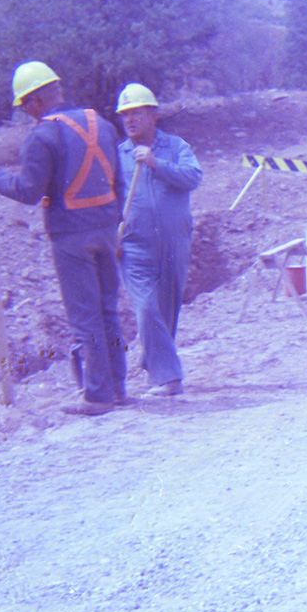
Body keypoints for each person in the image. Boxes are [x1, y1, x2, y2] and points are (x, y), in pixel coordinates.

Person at [0, 61, 127, 415]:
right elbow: (118, 178)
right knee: (108, 311)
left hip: (71, 236)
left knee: (85, 317)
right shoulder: (100, 123)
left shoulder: (43, 135)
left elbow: (27, 190)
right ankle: (118, 387)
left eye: (25, 105)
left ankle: (98, 396)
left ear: (35, 100)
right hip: (106, 228)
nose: (24, 112)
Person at [114, 82, 203, 398]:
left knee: (165, 310)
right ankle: (169, 379)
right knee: (147, 308)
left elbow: (193, 177)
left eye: (136, 112)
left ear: (153, 115)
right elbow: (109, 198)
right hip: (134, 246)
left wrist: (156, 164)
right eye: (125, 114)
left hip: (174, 242)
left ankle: (155, 362)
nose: (130, 119)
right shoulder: (117, 155)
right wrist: (113, 232)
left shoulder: (177, 147)